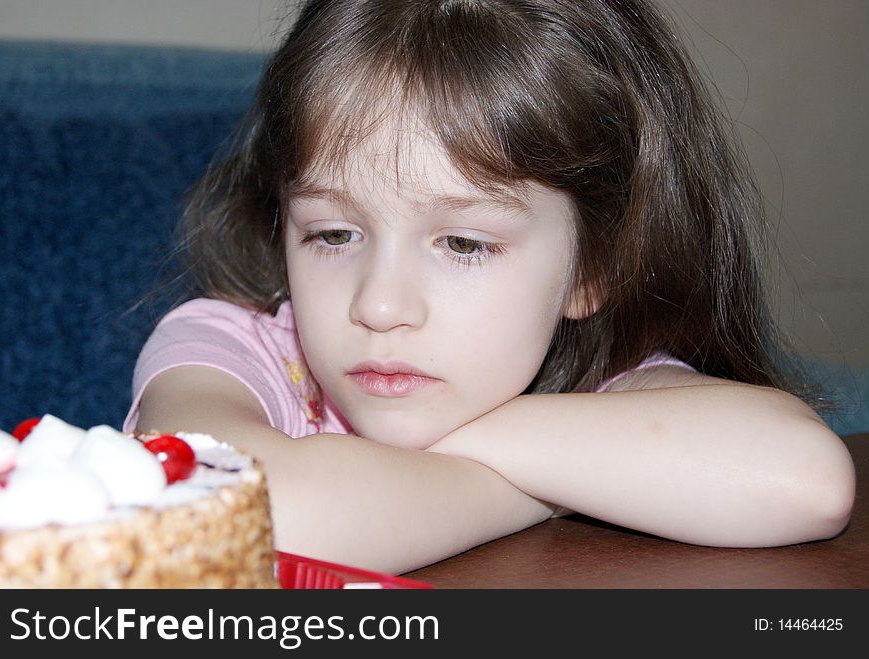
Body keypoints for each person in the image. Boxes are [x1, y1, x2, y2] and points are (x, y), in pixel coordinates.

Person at [125, 0, 855, 575]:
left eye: (465, 243)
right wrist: (541, 481)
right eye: (333, 234)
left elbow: (806, 480)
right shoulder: (224, 349)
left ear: (592, 265)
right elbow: (241, 515)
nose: (379, 305)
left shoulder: (602, 379)